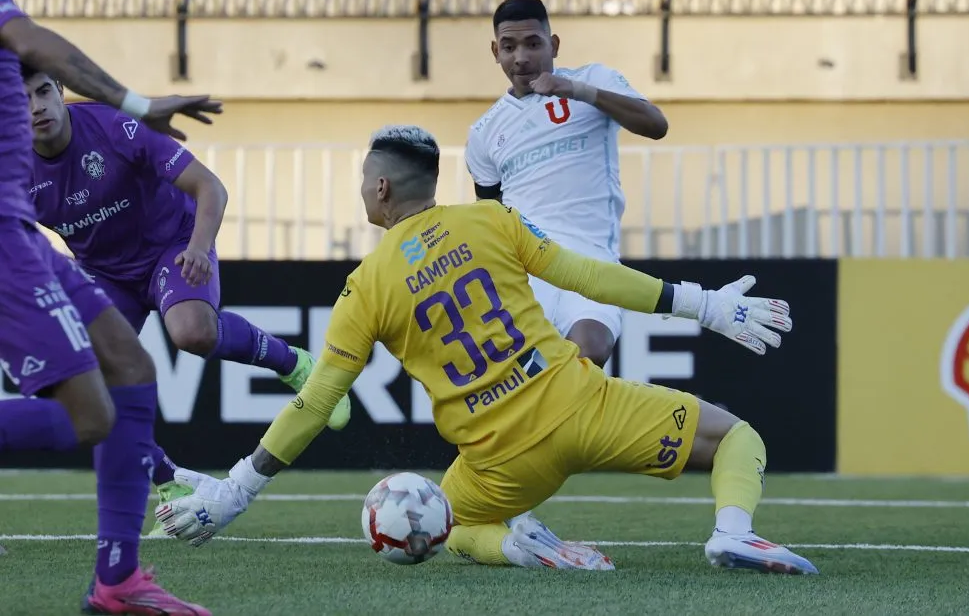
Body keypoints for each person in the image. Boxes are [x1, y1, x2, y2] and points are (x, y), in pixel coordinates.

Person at [153, 125, 818, 576]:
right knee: (737, 439)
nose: (361, 189)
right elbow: (590, 277)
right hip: (584, 406)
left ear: (381, 189)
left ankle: (520, 546)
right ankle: (733, 531)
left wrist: (237, 490)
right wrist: (701, 304)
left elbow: (317, 399)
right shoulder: (492, 221)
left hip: (500, 460)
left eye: (363, 179)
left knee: (446, 522)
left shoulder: (366, 286)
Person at [22, 66, 351, 535]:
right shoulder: (12, 168)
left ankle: (295, 364)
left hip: (173, 244)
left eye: (42, 92)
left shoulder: (115, 126)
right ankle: (170, 482)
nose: (36, 107)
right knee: (83, 386)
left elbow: (210, 186)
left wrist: (198, 247)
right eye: (20, 99)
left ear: (60, 91)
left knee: (192, 332)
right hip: (103, 273)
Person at [0, 0, 214, 612]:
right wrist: (138, 101)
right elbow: (32, 40)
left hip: (19, 230)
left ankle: (117, 582)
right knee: (93, 417)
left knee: (130, 370)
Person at [465, 0, 669, 371]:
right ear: (495, 52)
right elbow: (490, 215)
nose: (521, 58)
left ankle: (544, 390)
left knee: (591, 348)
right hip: (528, 266)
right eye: (508, 47)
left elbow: (656, 125)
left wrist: (577, 91)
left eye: (533, 44)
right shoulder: (483, 131)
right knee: (513, 373)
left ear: (554, 44)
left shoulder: (593, 80)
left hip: (590, 257)